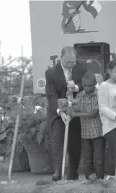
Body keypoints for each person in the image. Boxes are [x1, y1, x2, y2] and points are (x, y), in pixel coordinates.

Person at [45, 46, 88, 181]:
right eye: (68, 62)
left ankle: (73, 174)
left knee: (75, 144)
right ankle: (58, 171)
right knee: (57, 139)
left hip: (75, 110)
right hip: (58, 112)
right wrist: (60, 112)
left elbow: (87, 84)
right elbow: (51, 96)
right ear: (61, 58)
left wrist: (76, 87)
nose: (71, 65)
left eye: (73, 62)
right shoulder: (51, 73)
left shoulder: (82, 67)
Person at [72, 72, 105, 180]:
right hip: (85, 133)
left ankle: (100, 179)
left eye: (90, 85)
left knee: (98, 159)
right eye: (85, 85)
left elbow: (93, 113)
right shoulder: (79, 96)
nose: (87, 87)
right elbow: (74, 109)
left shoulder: (100, 94)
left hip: (98, 132)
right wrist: (68, 105)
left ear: (95, 83)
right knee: (87, 159)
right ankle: (88, 180)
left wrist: (76, 114)